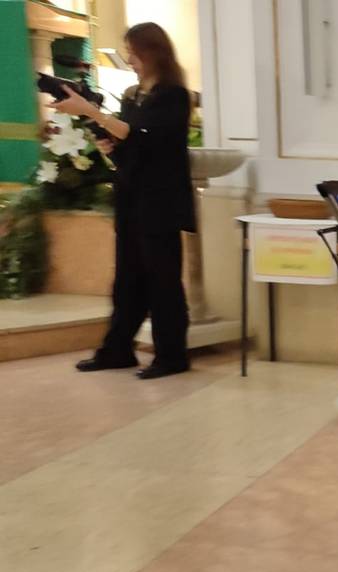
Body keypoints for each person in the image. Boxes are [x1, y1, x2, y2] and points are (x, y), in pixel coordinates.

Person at [54, 22, 195, 379]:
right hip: (131, 194)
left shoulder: (173, 95)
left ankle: (172, 356)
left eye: (133, 51)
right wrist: (109, 147)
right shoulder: (133, 95)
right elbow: (130, 145)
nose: (129, 58)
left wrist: (91, 111)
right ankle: (117, 350)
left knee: (162, 279)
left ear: (153, 52)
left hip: (159, 200)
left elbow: (147, 136)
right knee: (128, 277)